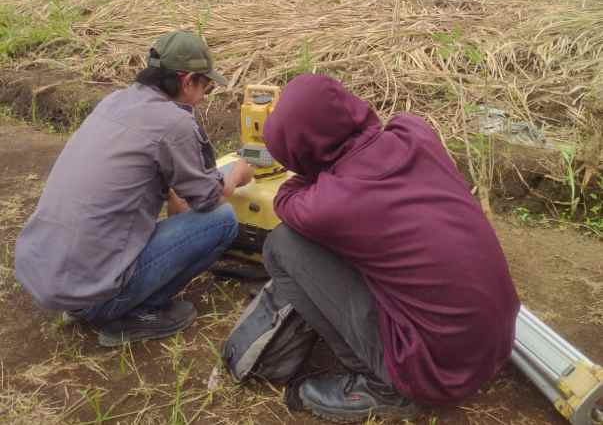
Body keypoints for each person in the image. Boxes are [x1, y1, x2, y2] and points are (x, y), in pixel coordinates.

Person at [258, 74, 520, 422]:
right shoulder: (414, 133)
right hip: (497, 340)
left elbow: (285, 199)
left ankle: (382, 385)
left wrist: (309, 168)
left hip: (437, 371)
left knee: (282, 244)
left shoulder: (330, 204)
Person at [15, 31, 254, 347]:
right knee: (222, 220)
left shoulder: (117, 101)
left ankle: (90, 303)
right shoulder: (174, 123)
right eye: (206, 87)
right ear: (187, 81)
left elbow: (173, 195)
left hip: (48, 275)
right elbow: (209, 198)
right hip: (92, 292)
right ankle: (134, 313)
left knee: (206, 192)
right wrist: (239, 173)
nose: (204, 95)